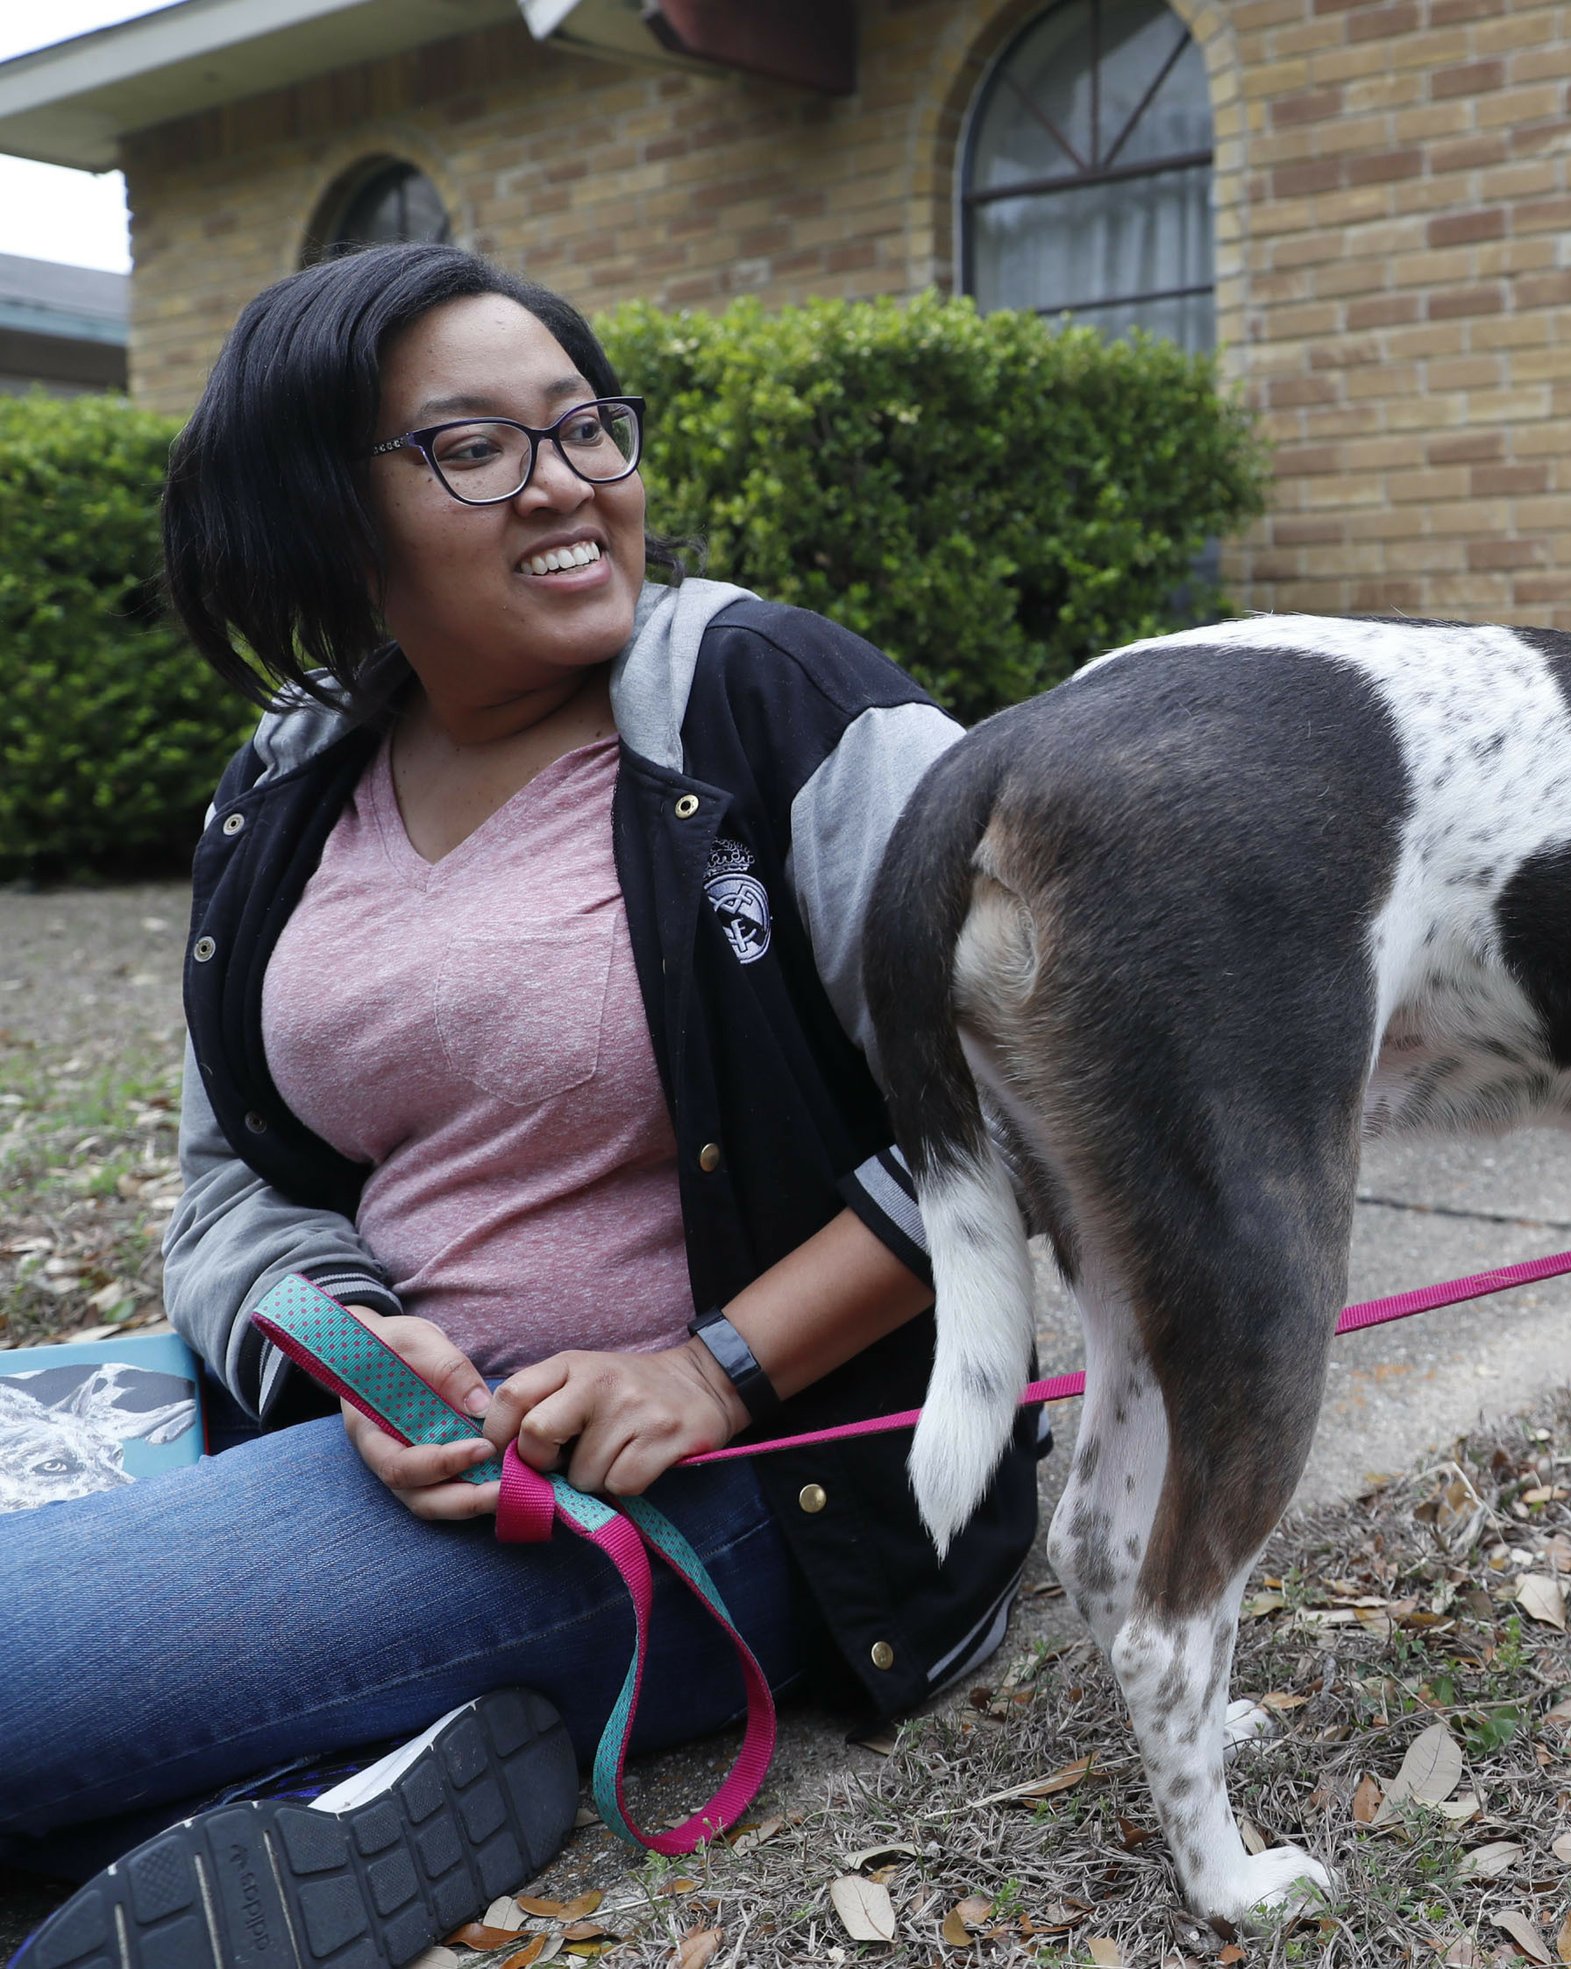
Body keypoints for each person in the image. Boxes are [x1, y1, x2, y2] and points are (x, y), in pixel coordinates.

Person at [0, 244, 1045, 1969]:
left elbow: (1040, 1092)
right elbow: (232, 1194)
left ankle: (331, 1765)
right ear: (331, 520)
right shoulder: (285, 777)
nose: (565, 484)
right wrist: (337, 1339)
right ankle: (369, 1784)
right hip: (393, 1466)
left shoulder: (771, 698)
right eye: (474, 449)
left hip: (759, 1485)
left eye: (585, 430)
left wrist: (714, 1365)